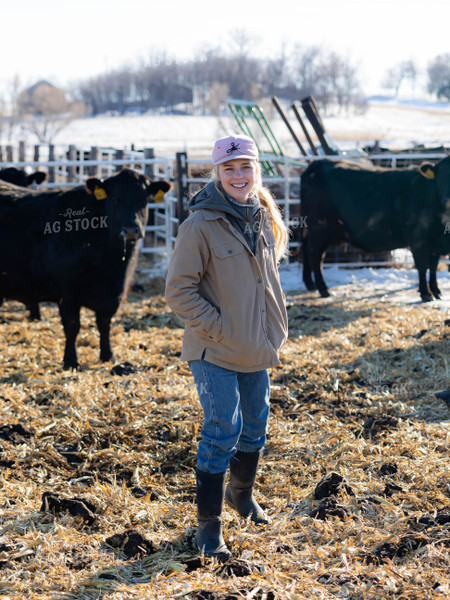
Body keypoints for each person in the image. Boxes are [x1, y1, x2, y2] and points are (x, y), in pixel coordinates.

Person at [165, 134, 289, 560]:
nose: (239, 176)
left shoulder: (264, 217)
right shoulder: (199, 225)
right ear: (216, 173)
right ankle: (208, 526)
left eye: (246, 167)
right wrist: (219, 327)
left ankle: (242, 496)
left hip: (256, 345)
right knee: (223, 430)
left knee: (256, 425)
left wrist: (275, 331)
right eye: (230, 168)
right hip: (213, 348)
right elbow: (178, 291)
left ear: (257, 170)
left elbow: (268, 283)